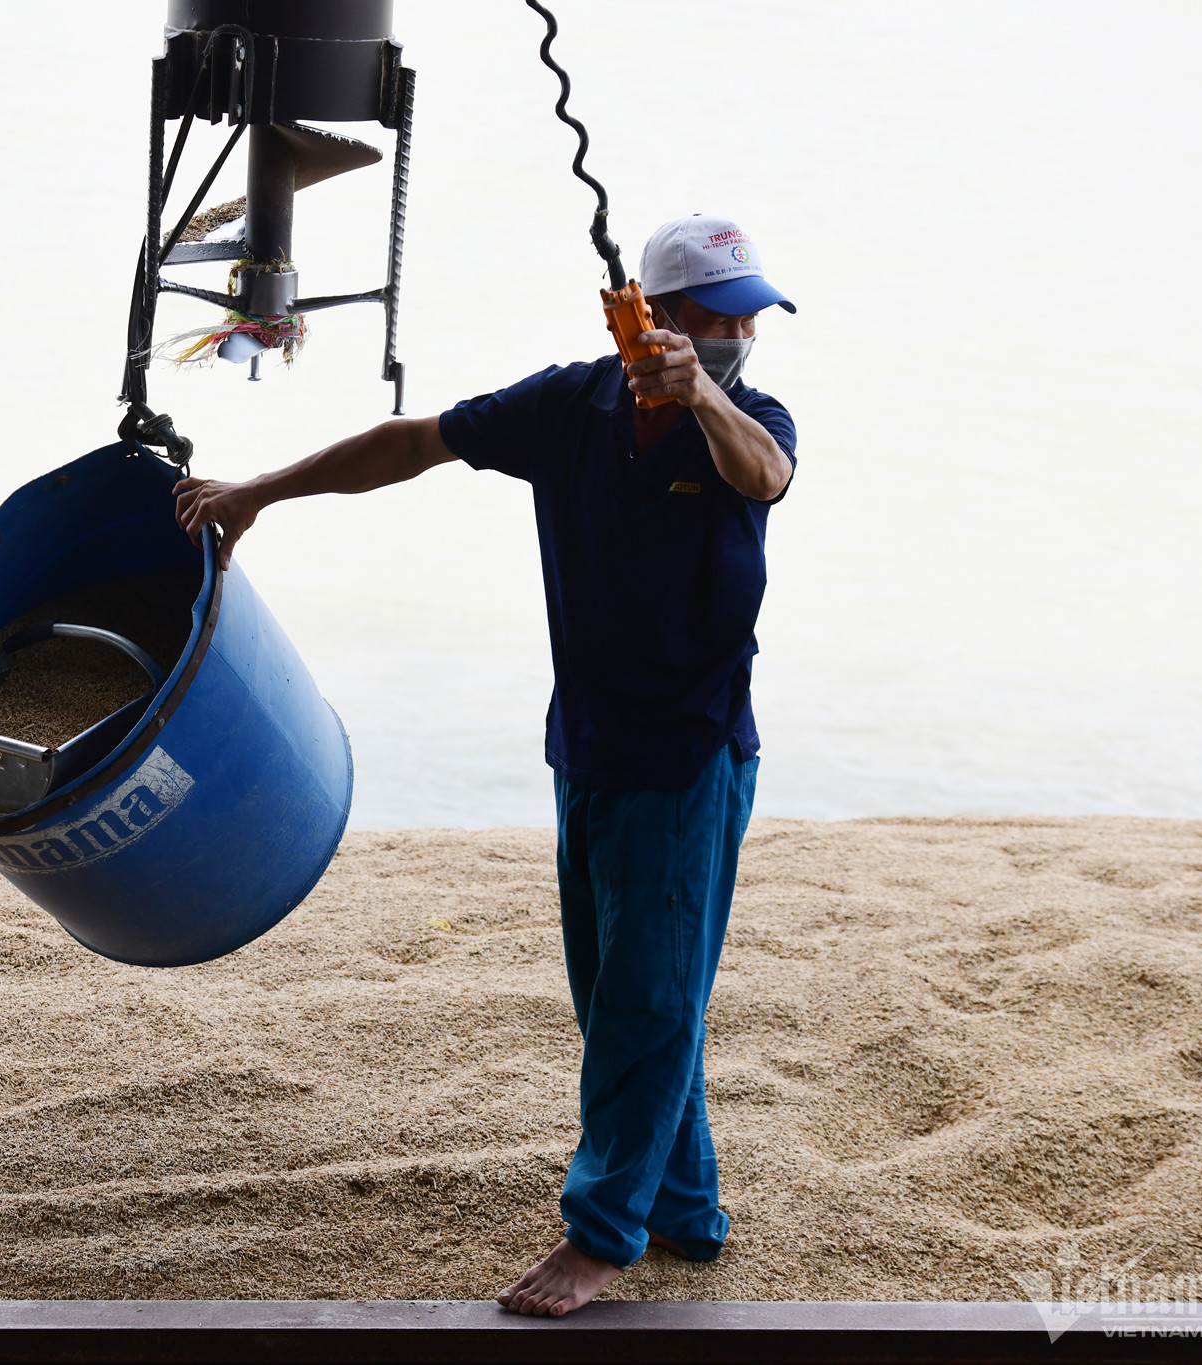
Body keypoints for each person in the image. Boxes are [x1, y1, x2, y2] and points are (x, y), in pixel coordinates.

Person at [173, 213, 798, 1316]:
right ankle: (683, 1207)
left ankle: (600, 1235)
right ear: (645, 317)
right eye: (717, 313)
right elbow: (412, 442)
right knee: (619, 990)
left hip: (688, 750)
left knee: (647, 997)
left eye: (749, 314)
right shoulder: (568, 404)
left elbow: (766, 479)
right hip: (590, 740)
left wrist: (699, 392)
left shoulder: (744, 416)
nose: (740, 331)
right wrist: (258, 492)